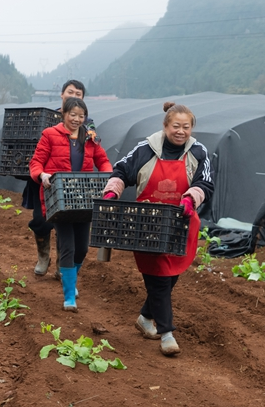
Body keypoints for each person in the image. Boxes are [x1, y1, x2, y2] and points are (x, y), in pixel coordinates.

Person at [101, 102, 213, 357]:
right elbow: (121, 170)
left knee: (170, 276)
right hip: (148, 224)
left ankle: (145, 317)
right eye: (176, 126)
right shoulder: (146, 148)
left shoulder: (198, 151)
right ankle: (167, 333)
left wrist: (190, 198)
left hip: (180, 223)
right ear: (165, 126)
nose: (181, 131)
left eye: (186, 127)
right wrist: (112, 191)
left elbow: (206, 182)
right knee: (159, 279)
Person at [29, 97, 112, 312]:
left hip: (83, 197)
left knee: (82, 249)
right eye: (72, 114)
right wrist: (43, 175)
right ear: (63, 114)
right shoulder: (50, 135)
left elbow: (102, 161)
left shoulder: (90, 137)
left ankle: (71, 280)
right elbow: (36, 162)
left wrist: (107, 177)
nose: (76, 119)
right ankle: (69, 297)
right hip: (60, 199)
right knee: (67, 245)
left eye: (81, 115)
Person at [21, 80, 98, 280]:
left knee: (67, 226)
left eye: (79, 93)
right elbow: (38, 156)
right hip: (47, 180)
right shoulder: (49, 119)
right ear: (62, 95)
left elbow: (96, 148)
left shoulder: (87, 124)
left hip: (74, 186)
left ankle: (61, 264)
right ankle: (43, 256)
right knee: (41, 221)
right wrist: (41, 173)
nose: (74, 95)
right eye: (70, 91)